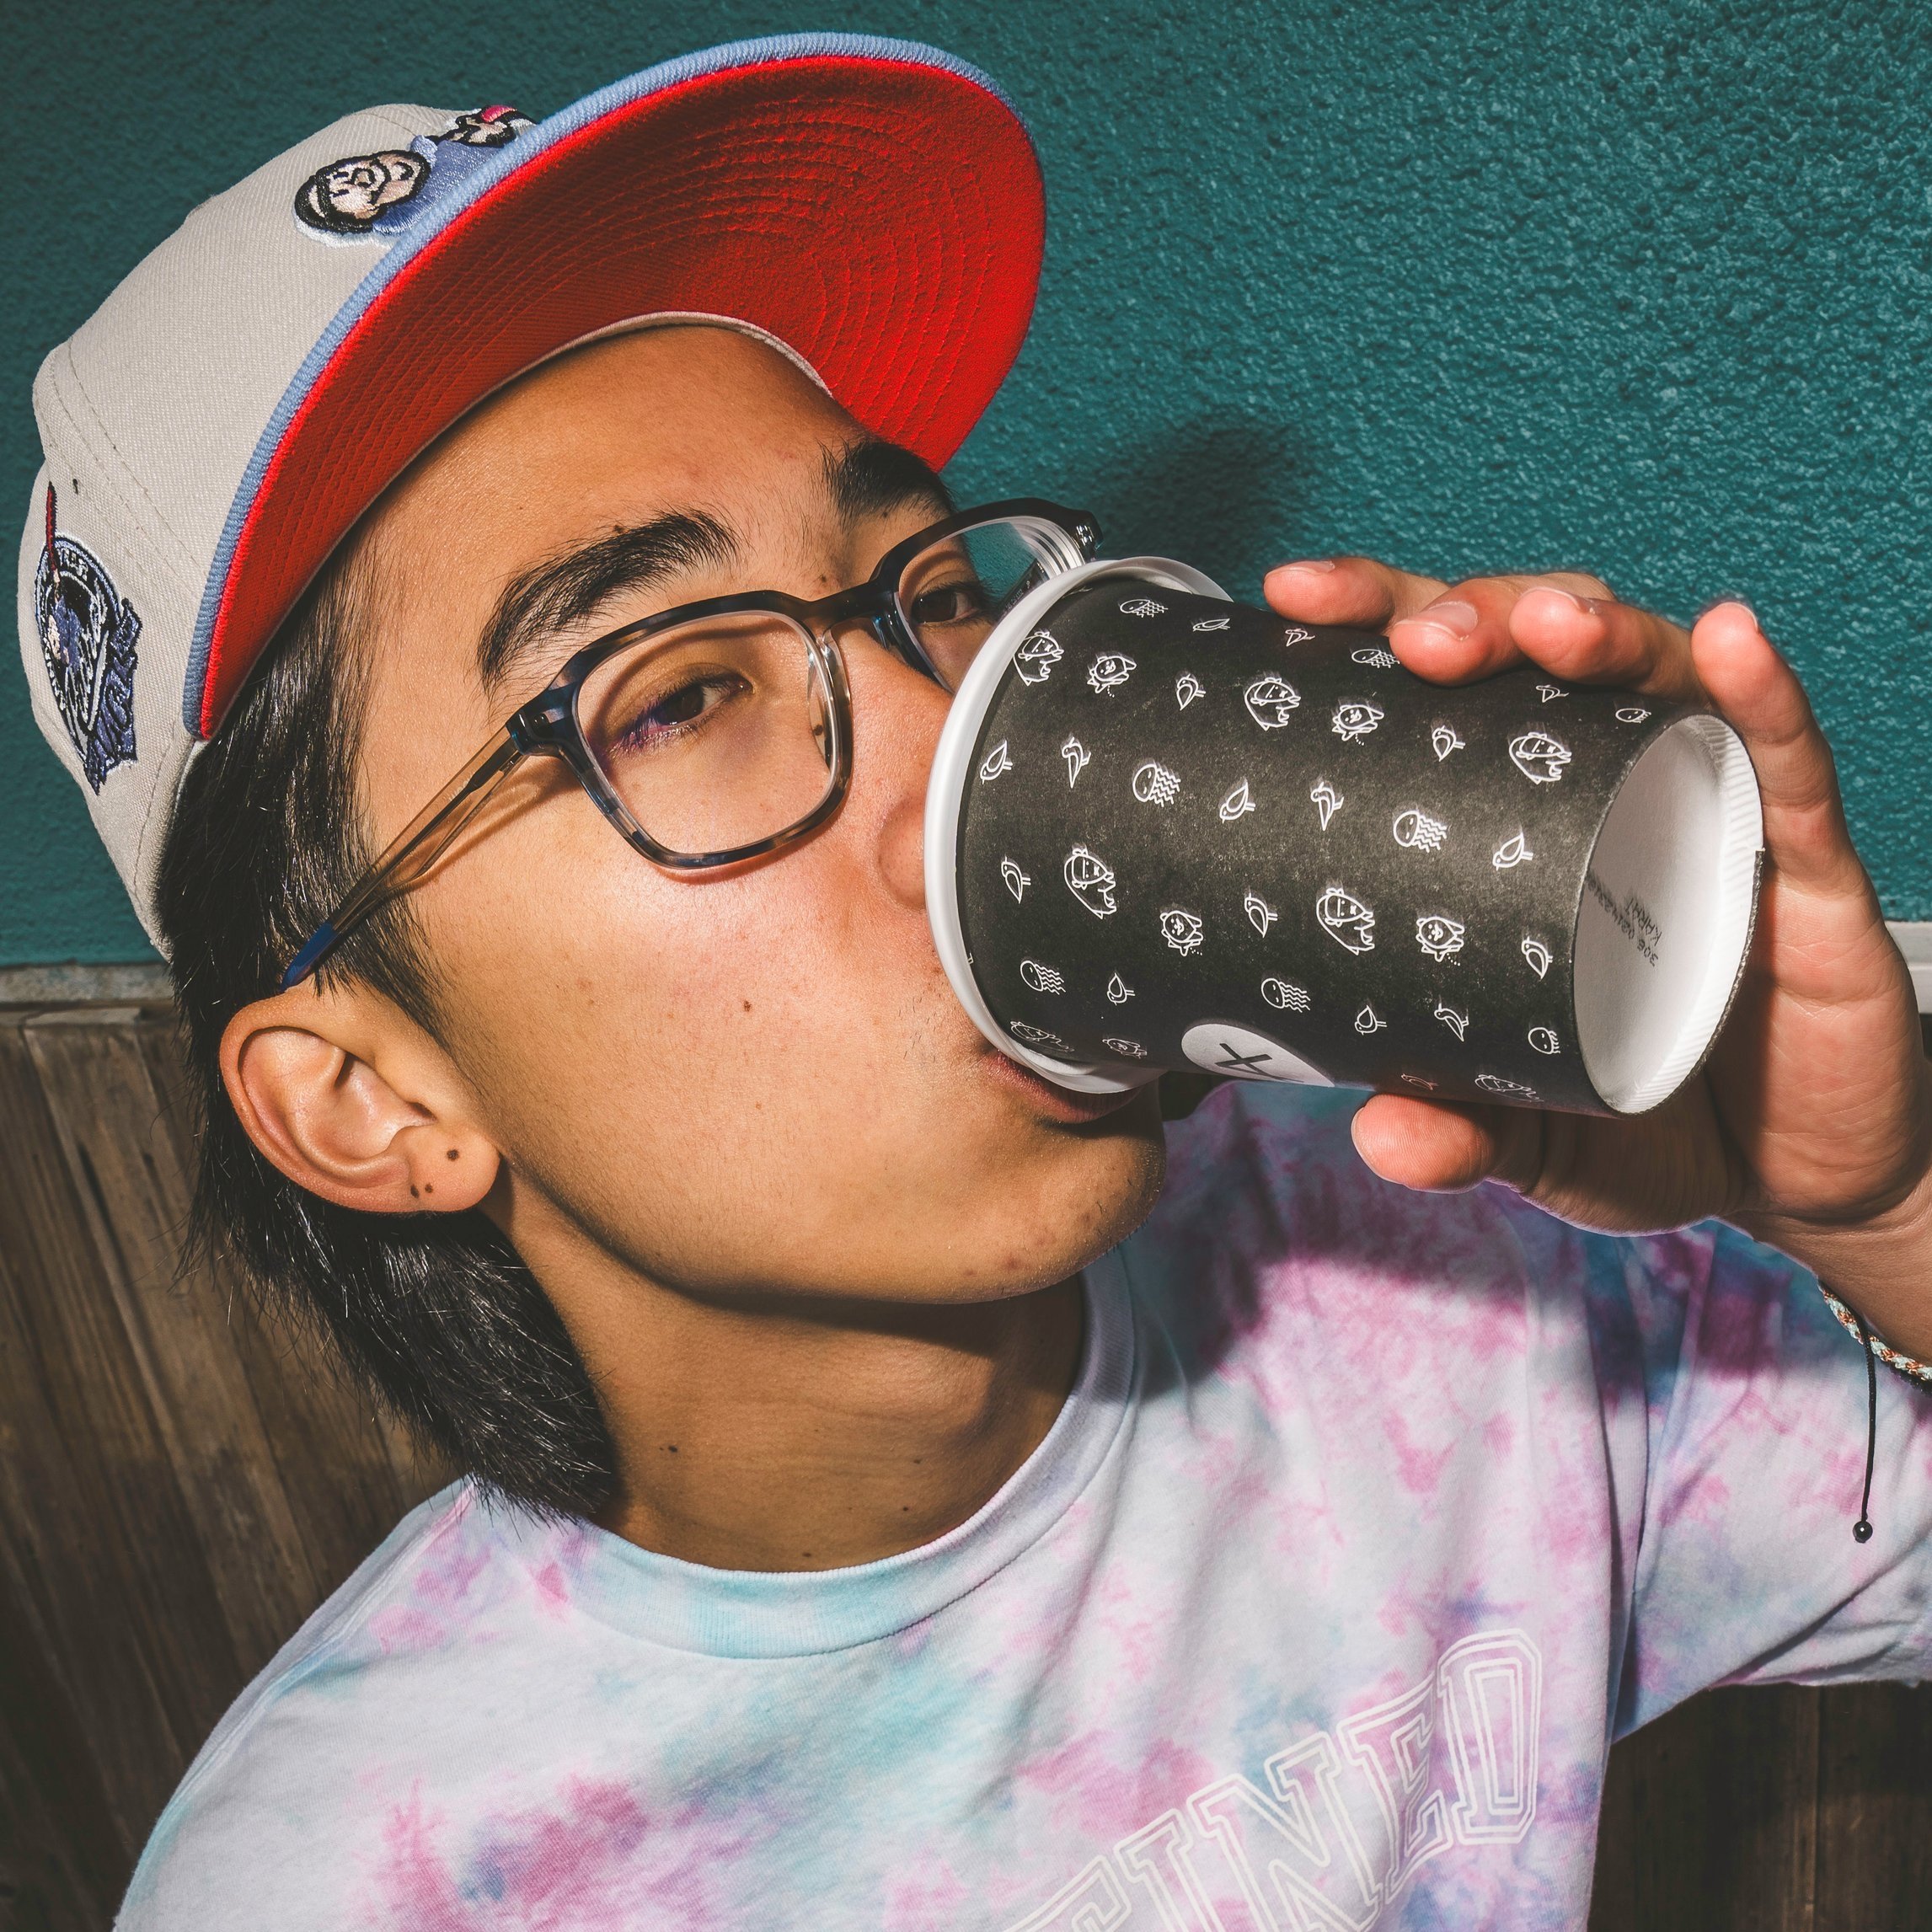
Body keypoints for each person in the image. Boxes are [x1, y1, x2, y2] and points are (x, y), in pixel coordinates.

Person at [17, 35, 1929, 1932]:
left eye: (930, 594)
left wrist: (1876, 1205)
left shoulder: (1442, 1285)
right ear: (371, 1098)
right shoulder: (357, 1886)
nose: (954, 747)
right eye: (674, 698)